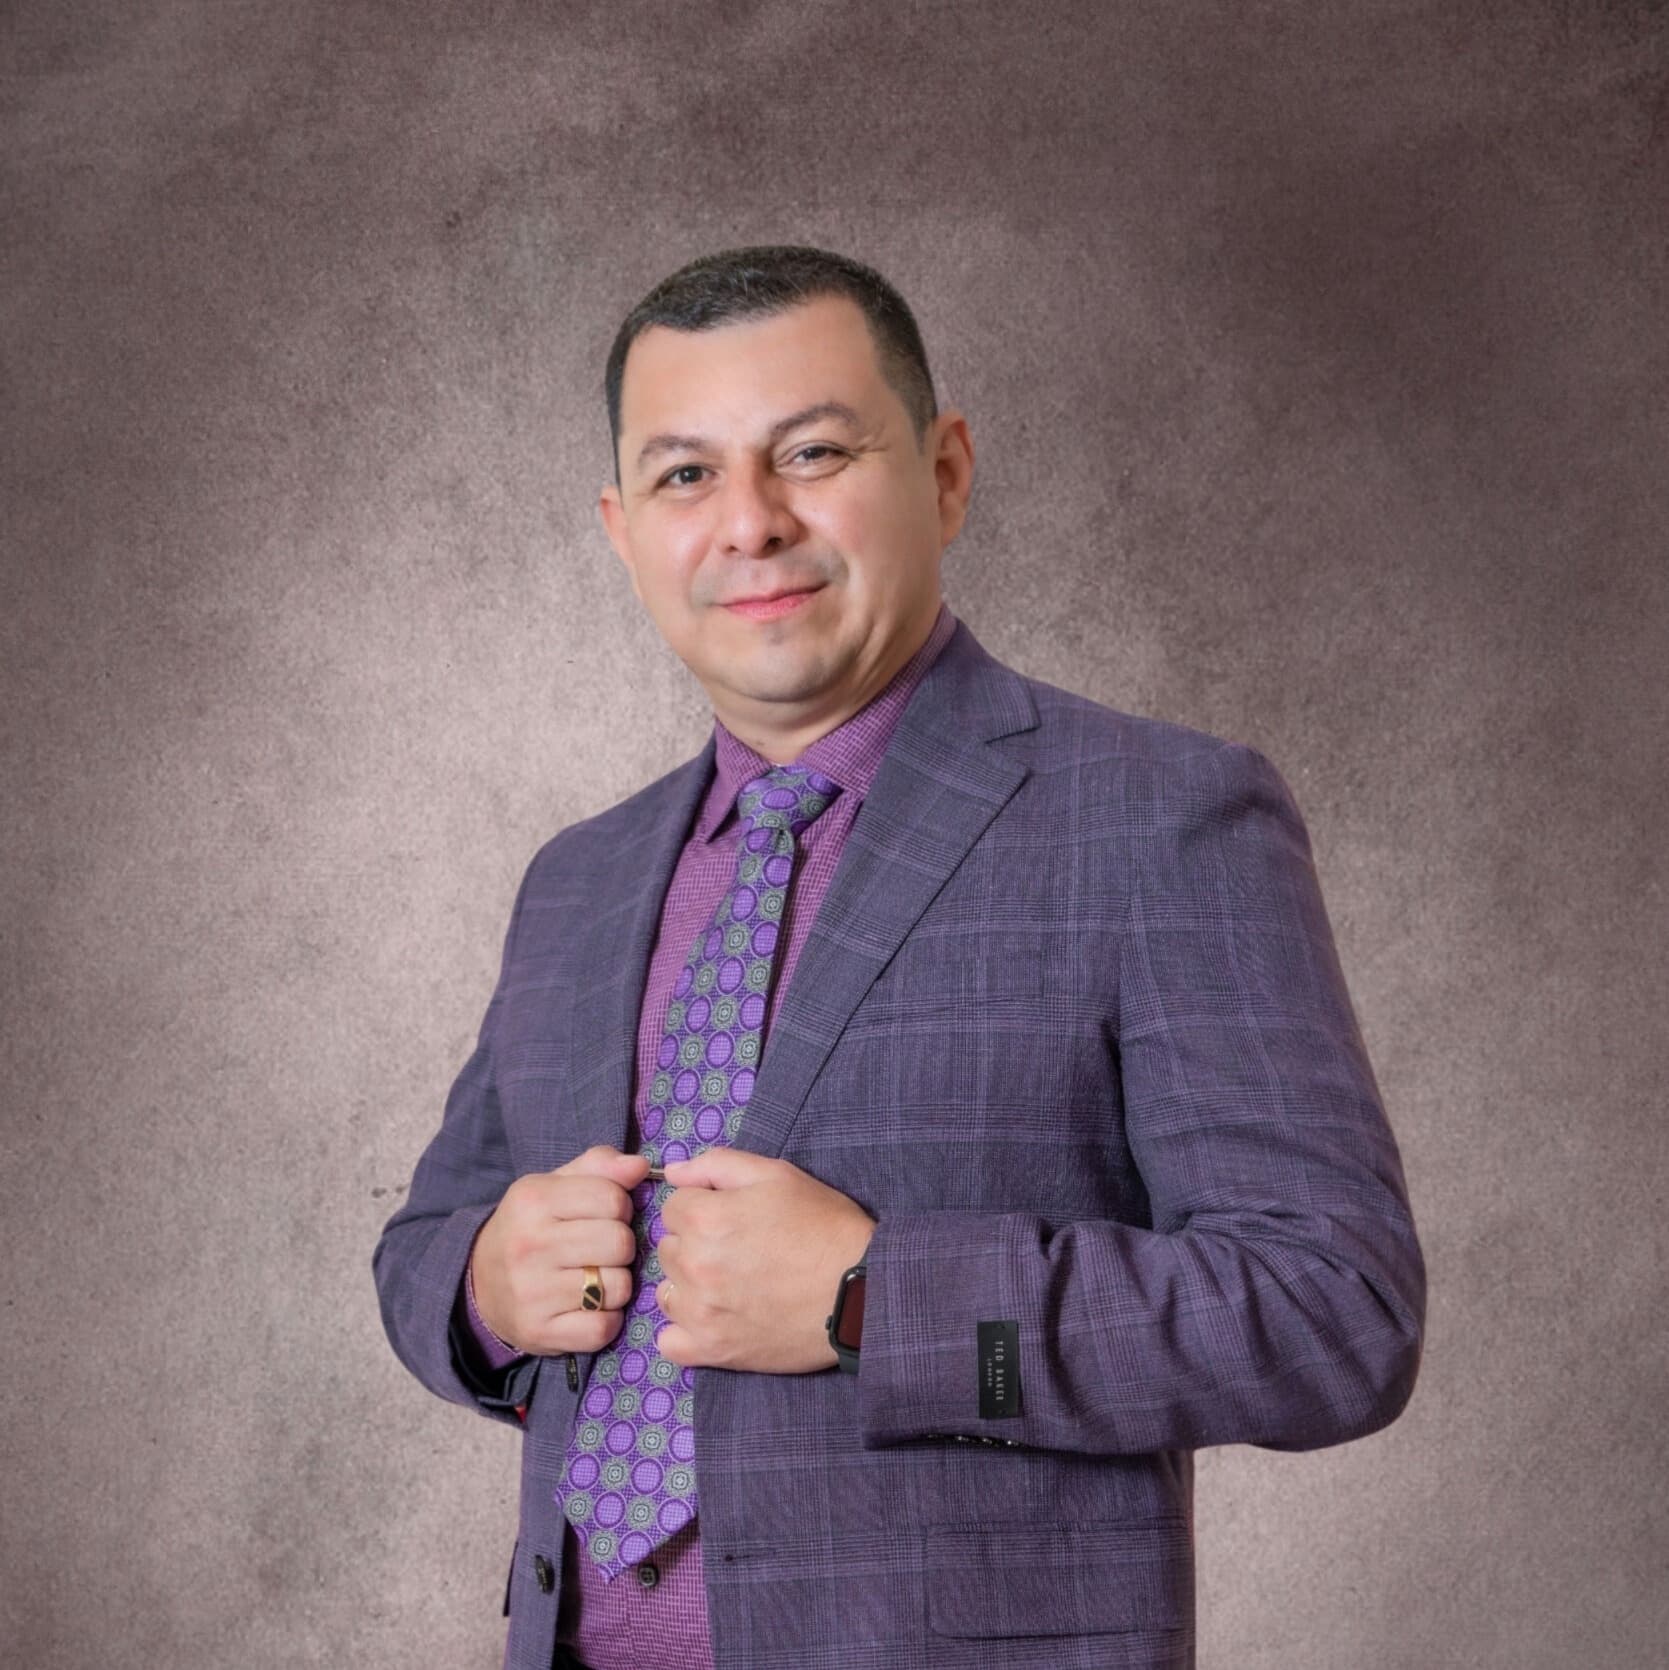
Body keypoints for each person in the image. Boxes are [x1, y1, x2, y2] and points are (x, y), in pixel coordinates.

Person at [372, 244, 1426, 1670]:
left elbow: (1331, 1316)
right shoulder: (579, 878)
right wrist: (488, 1286)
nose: (749, 523)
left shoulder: (1157, 816)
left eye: (810, 452)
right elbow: (425, 1246)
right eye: (685, 476)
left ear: (942, 472)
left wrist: (879, 1298)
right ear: (621, 529)